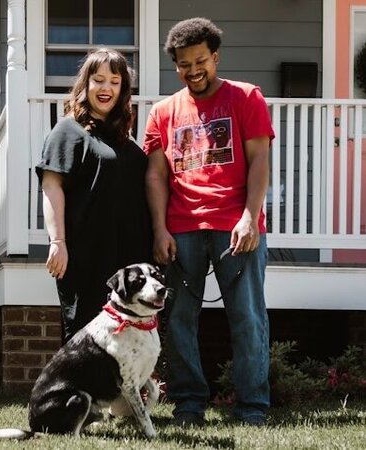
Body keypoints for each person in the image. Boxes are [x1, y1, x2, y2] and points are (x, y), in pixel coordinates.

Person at [143, 18, 274, 427]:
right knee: (180, 320)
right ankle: (188, 405)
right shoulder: (163, 112)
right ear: (175, 65)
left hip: (237, 227)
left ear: (215, 57)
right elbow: (156, 175)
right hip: (182, 228)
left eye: (201, 60)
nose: (193, 70)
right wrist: (160, 229)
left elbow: (259, 162)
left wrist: (250, 218)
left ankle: (252, 408)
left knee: (248, 317)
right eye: (184, 64)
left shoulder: (246, 97)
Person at [36, 48, 152, 343]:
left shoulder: (121, 137)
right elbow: (51, 186)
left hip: (130, 257)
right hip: (88, 258)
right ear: (85, 84)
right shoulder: (68, 131)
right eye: (98, 80)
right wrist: (58, 241)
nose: (106, 88)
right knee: (88, 341)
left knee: (128, 341)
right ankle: (78, 392)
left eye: (115, 81)